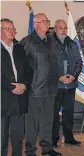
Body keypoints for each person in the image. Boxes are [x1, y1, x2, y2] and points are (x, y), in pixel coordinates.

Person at [20, 13, 62, 156]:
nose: (46, 23)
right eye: (43, 21)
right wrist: (27, 85)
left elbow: (54, 62)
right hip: (34, 90)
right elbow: (22, 66)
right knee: (32, 123)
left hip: (50, 89)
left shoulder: (51, 41)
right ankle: (30, 150)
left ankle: (47, 148)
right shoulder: (27, 42)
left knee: (47, 121)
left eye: (47, 21)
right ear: (35, 24)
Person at [1, 18, 32, 156]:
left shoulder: (20, 48)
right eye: (8, 29)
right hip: (3, 98)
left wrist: (24, 85)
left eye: (13, 29)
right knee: (1, 138)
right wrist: (10, 86)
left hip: (20, 99)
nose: (12, 31)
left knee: (18, 136)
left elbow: (29, 70)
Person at [52, 19, 82, 147]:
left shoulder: (72, 43)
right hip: (56, 85)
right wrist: (58, 77)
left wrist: (73, 77)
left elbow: (78, 62)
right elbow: (47, 65)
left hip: (70, 84)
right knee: (53, 114)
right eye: (60, 28)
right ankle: (53, 139)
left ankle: (69, 137)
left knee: (68, 113)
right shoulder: (49, 43)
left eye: (65, 28)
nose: (63, 30)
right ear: (55, 29)